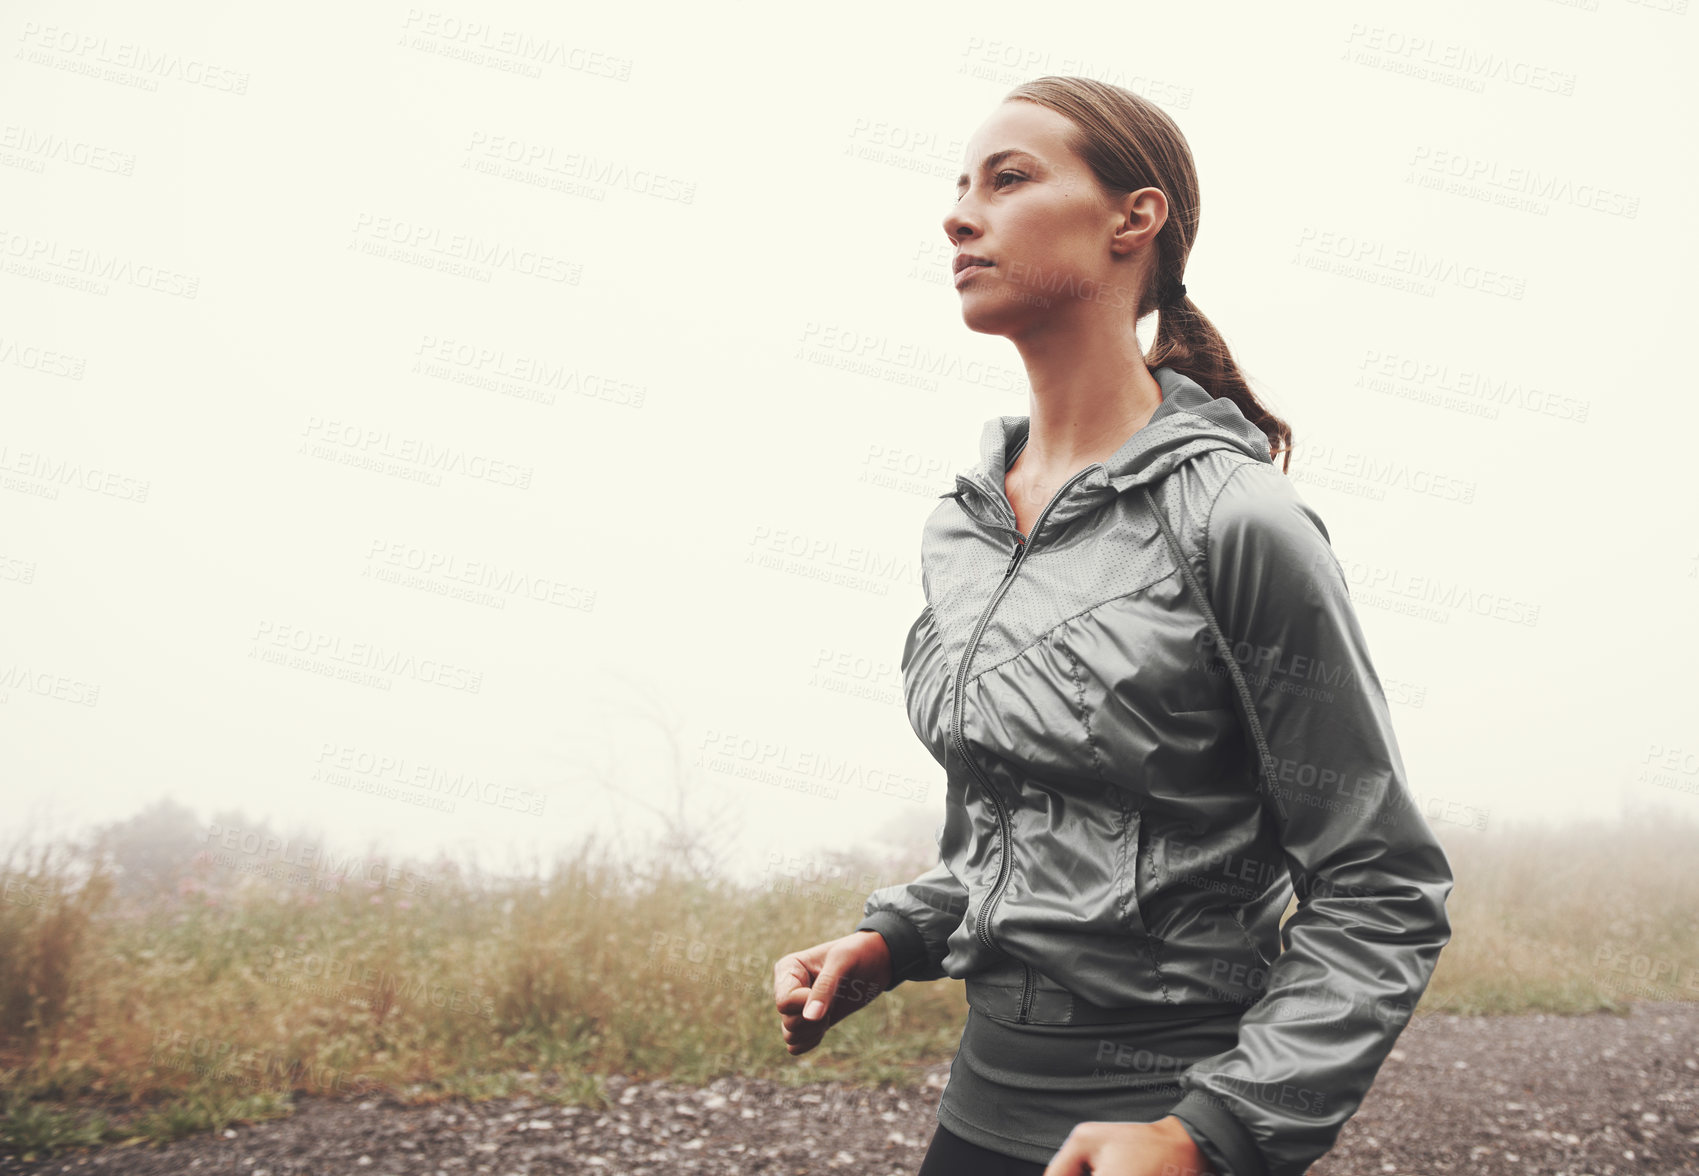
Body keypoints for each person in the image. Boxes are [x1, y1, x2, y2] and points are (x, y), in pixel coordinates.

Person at [771, 76, 1454, 1176]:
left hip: (1162, 1121)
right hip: (977, 1114)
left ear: (1134, 220)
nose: (957, 214)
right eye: (957, 186)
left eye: (1008, 178)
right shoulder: (965, 523)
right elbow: (1031, 822)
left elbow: (1379, 888)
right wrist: (894, 938)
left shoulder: (1237, 520)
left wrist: (1205, 1137)